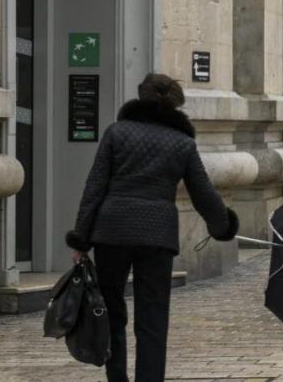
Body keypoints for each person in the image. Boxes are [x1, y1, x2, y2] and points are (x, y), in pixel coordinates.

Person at [65, 73, 238, 382]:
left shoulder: (116, 133)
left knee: (110, 311)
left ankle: (117, 377)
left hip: (112, 231)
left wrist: (81, 238)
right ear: (175, 105)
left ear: (141, 97)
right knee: (153, 316)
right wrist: (222, 225)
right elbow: (204, 193)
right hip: (157, 235)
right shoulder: (182, 143)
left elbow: (94, 188)